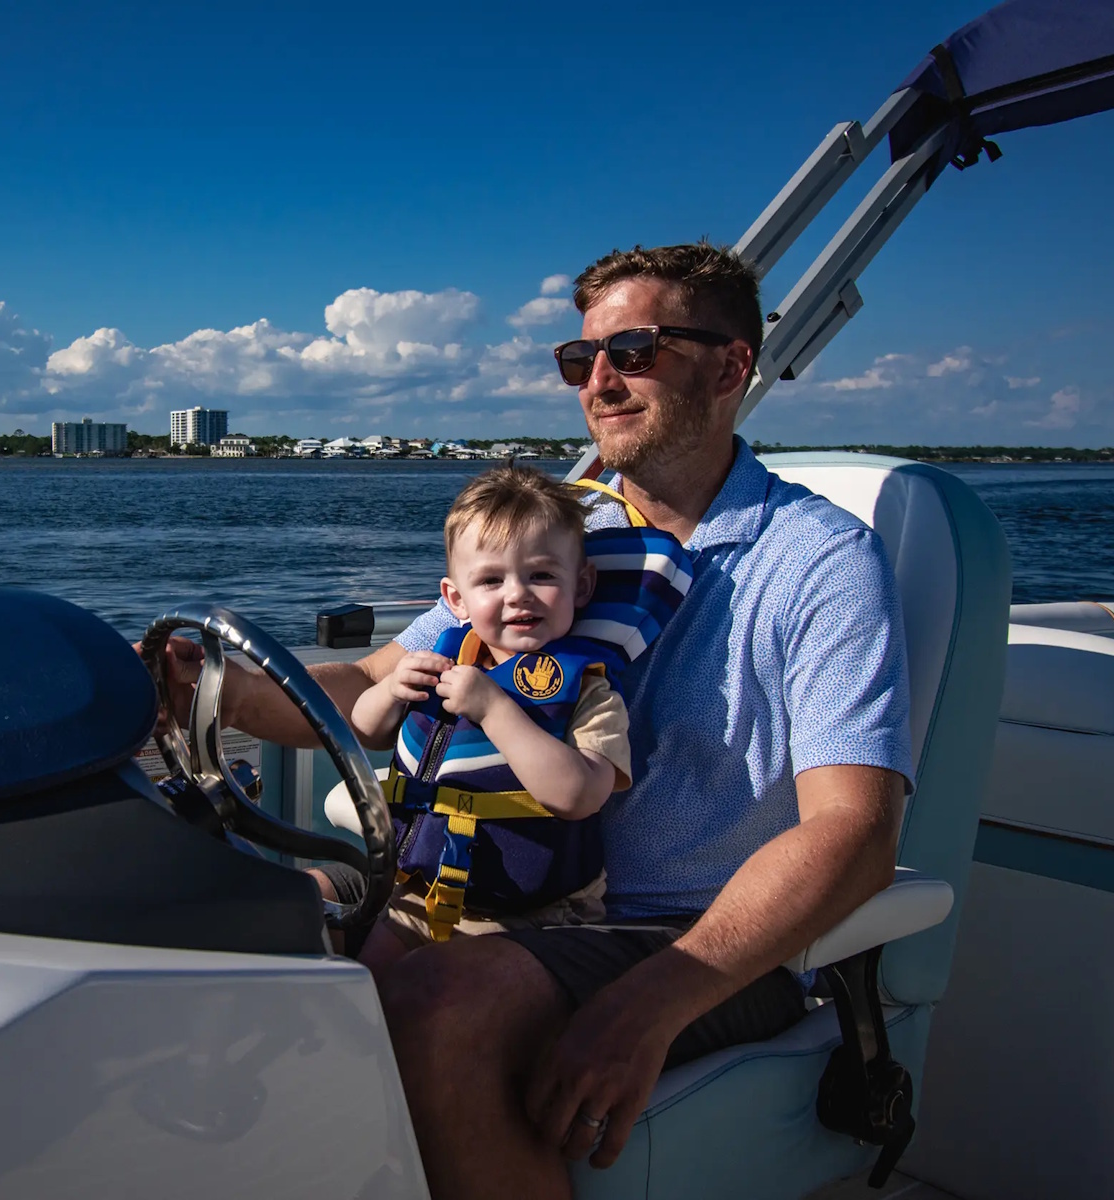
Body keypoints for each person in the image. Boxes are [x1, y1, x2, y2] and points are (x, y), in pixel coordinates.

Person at [155, 241, 911, 1200]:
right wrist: (208, 688)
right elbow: (376, 682)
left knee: (440, 1004)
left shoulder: (819, 563)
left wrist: (654, 999)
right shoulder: (555, 539)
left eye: (634, 352)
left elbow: (855, 832)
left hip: (693, 937)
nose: (598, 381)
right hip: (482, 893)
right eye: (580, 358)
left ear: (730, 368)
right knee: (255, 921)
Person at [346, 465, 632, 969]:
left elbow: (580, 794)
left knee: (427, 991)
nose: (517, 593)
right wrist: (390, 690)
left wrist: (496, 710)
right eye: (491, 580)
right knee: (364, 978)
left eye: (542, 575)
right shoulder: (443, 663)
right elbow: (367, 730)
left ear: (582, 586)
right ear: (456, 599)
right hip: (419, 892)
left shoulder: (589, 691)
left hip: (533, 916)